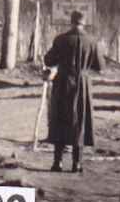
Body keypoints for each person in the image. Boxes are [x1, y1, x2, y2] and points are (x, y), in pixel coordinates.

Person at [43, 10, 103, 173]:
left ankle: (58, 162)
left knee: (60, 118)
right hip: (83, 83)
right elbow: (100, 66)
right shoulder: (93, 41)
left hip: (63, 82)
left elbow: (48, 60)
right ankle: (77, 163)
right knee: (80, 120)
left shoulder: (61, 39)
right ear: (84, 23)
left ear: (71, 22)